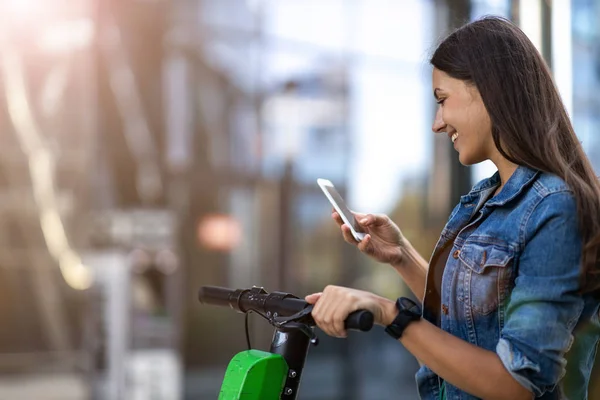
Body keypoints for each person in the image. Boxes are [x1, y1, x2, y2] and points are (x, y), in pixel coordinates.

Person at [305, 16, 600, 400]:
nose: (437, 123)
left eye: (442, 100)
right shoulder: (487, 197)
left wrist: (390, 314)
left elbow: (516, 384)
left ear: (489, 89)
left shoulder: (554, 208)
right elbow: (473, 321)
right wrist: (402, 256)